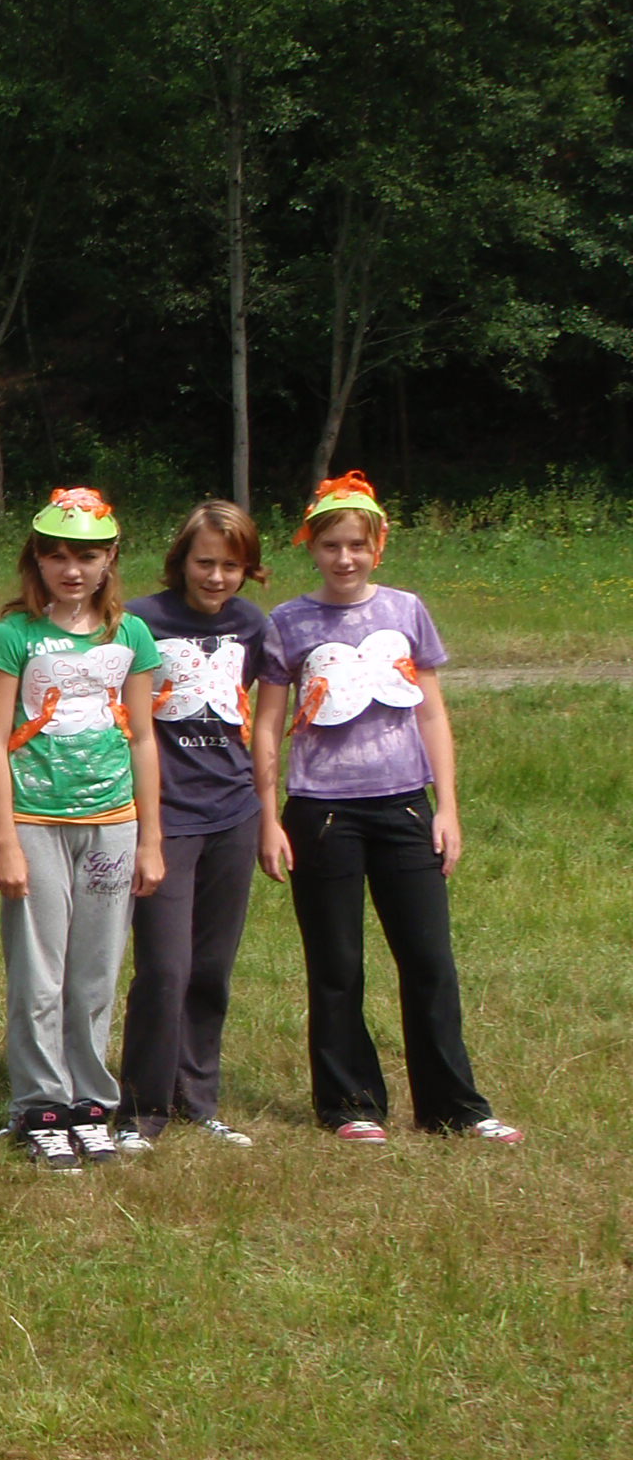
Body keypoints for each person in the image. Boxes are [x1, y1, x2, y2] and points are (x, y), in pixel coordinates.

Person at [251, 472, 521, 1145]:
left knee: (429, 962)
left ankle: (454, 1107)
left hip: (404, 808)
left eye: (357, 545)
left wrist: (446, 806)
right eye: (331, 545)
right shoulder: (288, 622)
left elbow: (431, 712)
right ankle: (350, 1104)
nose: (345, 558)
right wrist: (268, 815)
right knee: (337, 966)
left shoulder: (406, 610)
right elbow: (268, 723)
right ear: (311, 547)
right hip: (322, 814)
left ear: (378, 546)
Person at [0, 487, 165, 1168]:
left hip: (112, 823)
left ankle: (90, 1103)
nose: (72, 569)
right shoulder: (13, 636)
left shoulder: (131, 635)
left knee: (94, 973)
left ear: (110, 558)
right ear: (37, 559)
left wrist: (150, 838)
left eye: (87, 556)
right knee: (39, 976)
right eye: (57, 555)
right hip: (35, 822)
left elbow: (142, 737)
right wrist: (5, 841)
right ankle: (40, 1105)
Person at [118, 500, 270, 1151]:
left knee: (211, 967)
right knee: (164, 968)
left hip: (233, 811)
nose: (216, 577)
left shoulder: (251, 625)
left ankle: (197, 1099)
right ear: (181, 560)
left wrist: (264, 809)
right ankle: (141, 1107)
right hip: (166, 817)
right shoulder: (140, 622)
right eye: (205, 563)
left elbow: (253, 711)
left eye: (231, 566)